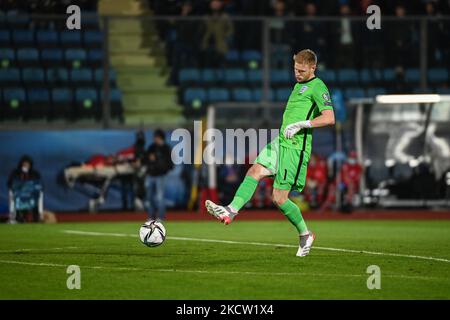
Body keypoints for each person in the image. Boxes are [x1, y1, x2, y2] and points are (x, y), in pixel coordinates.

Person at [206, 49, 335, 257]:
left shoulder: (318, 86)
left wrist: (303, 124)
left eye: (302, 70)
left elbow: (329, 118)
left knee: (279, 198)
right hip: (281, 142)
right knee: (254, 170)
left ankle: (305, 234)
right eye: (295, 69)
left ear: (313, 67)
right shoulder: (298, 85)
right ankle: (231, 210)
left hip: (295, 147)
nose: (298, 74)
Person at [145, 129, 173, 221]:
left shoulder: (166, 148)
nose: (154, 139)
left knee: (160, 197)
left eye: (156, 137)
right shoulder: (152, 147)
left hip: (160, 175)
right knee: (149, 197)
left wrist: (156, 159)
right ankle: (151, 216)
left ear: (160, 137)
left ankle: (160, 217)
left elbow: (169, 164)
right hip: (151, 175)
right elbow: (145, 158)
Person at [7, 155, 43, 223]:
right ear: (21, 164)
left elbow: (39, 184)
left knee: (39, 194)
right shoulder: (15, 173)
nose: (26, 166)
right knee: (12, 194)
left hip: (31, 195)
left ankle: (38, 216)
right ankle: (15, 217)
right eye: (24, 164)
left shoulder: (35, 173)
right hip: (18, 194)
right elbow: (10, 184)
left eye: (27, 164)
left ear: (30, 165)